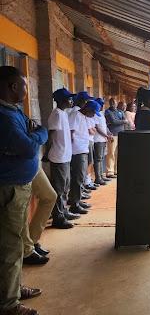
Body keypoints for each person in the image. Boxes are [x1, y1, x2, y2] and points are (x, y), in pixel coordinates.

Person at [0, 66, 45, 315]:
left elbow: (32, 134)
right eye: (24, 85)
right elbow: (28, 147)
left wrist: (34, 134)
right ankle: (8, 304)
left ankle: (13, 289)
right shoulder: (4, 116)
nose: (28, 90)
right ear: (13, 86)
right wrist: (38, 135)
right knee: (10, 246)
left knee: (15, 243)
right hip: (9, 188)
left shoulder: (13, 111)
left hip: (18, 186)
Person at [43, 88, 78, 229]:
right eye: (69, 99)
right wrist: (46, 153)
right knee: (58, 188)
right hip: (58, 156)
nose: (71, 101)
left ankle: (63, 211)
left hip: (65, 155)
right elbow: (50, 136)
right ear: (62, 100)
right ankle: (58, 217)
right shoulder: (56, 114)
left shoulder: (63, 114)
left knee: (64, 187)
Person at [68, 101, 101, 214]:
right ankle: (74, 204)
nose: (93, 115)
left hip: (82, 148)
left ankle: (77, 199)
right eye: (93, 113)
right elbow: (71, 133)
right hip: (77, 150)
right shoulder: (76, 115)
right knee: (78, 177)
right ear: (88, 109)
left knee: (80, 176)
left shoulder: (83, 116)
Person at [105, 98, 127, 178]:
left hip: (121, 134)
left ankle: (116, 170)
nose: (113, 104)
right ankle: (109, 171)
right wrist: (122, 122)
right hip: (112, 134)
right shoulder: (108, 112)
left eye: (114, 102)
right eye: (112, 102)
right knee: (111, 153)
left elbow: (125, 120)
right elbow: (113, 121)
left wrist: (120, 121)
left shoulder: (120, 112)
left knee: (119, 153)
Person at [92, 98, 112, 185]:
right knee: (98, 159)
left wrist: (109, 133)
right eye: (101, 105)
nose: (102, 107)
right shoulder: (95, 115)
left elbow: (104, 126)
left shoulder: (101, 114)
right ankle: (98, 177)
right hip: (98, 140)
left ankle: (101, 175)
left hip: (103, 139)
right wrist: (107, 136)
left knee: (101, 158)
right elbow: (98, 128)